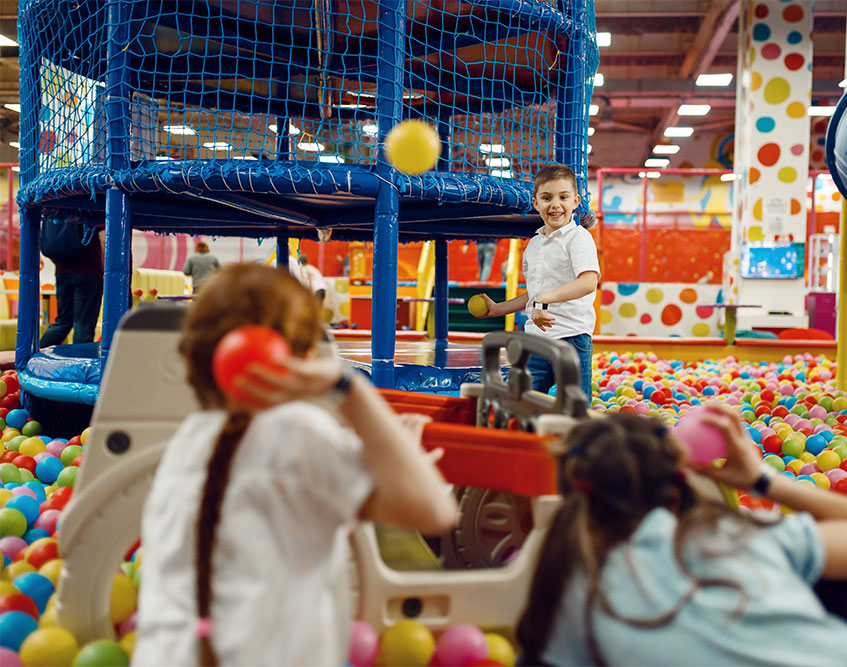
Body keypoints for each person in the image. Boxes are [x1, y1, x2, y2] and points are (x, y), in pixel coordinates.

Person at [133, 264, 457, 667]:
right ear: (301, 358)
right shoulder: (299, 432)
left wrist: (387, 459)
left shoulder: (190, 439)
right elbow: (435, 511)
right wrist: (348, 387)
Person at [517, 409, 847, 666]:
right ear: (678, 487)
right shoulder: (738, 533)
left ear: (577, 499)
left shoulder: (570, 587)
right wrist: (762, 480)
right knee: (840, 575)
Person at [472, 164, 599, 401]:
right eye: (547, 198)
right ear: (536, 203)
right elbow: (534, 293)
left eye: (563, 197)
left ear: (575, 201)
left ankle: (575, 437)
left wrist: (545, 299)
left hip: (571, 336)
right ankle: (528, 436)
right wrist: (498, 309)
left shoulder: (578, 238)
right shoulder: (534, 245)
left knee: (575, 401)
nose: (555, 204)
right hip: (536, 338)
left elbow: (588, 282)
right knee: (525, 398)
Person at [39, 221, 104, 348]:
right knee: (83, 326)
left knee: (62, 322)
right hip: (88, 271)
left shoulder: (56, 210)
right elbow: (103, 238)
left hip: (62, 273)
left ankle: (34, 356)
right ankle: (79, 364)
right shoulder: (87, 208)